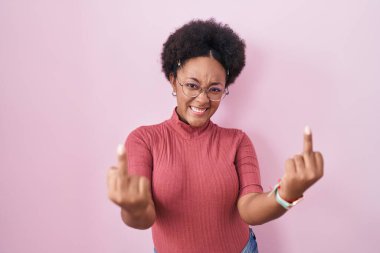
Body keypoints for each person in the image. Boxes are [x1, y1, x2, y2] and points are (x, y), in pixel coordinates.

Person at [107, 19, 324, 253]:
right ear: (173, 81)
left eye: (214, 89)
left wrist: (286, 194)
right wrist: (133, 208)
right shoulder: (144, 140)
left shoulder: (238, 141)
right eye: (192, 85)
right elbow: (144, 217)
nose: (202, 99)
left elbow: (249, 208)